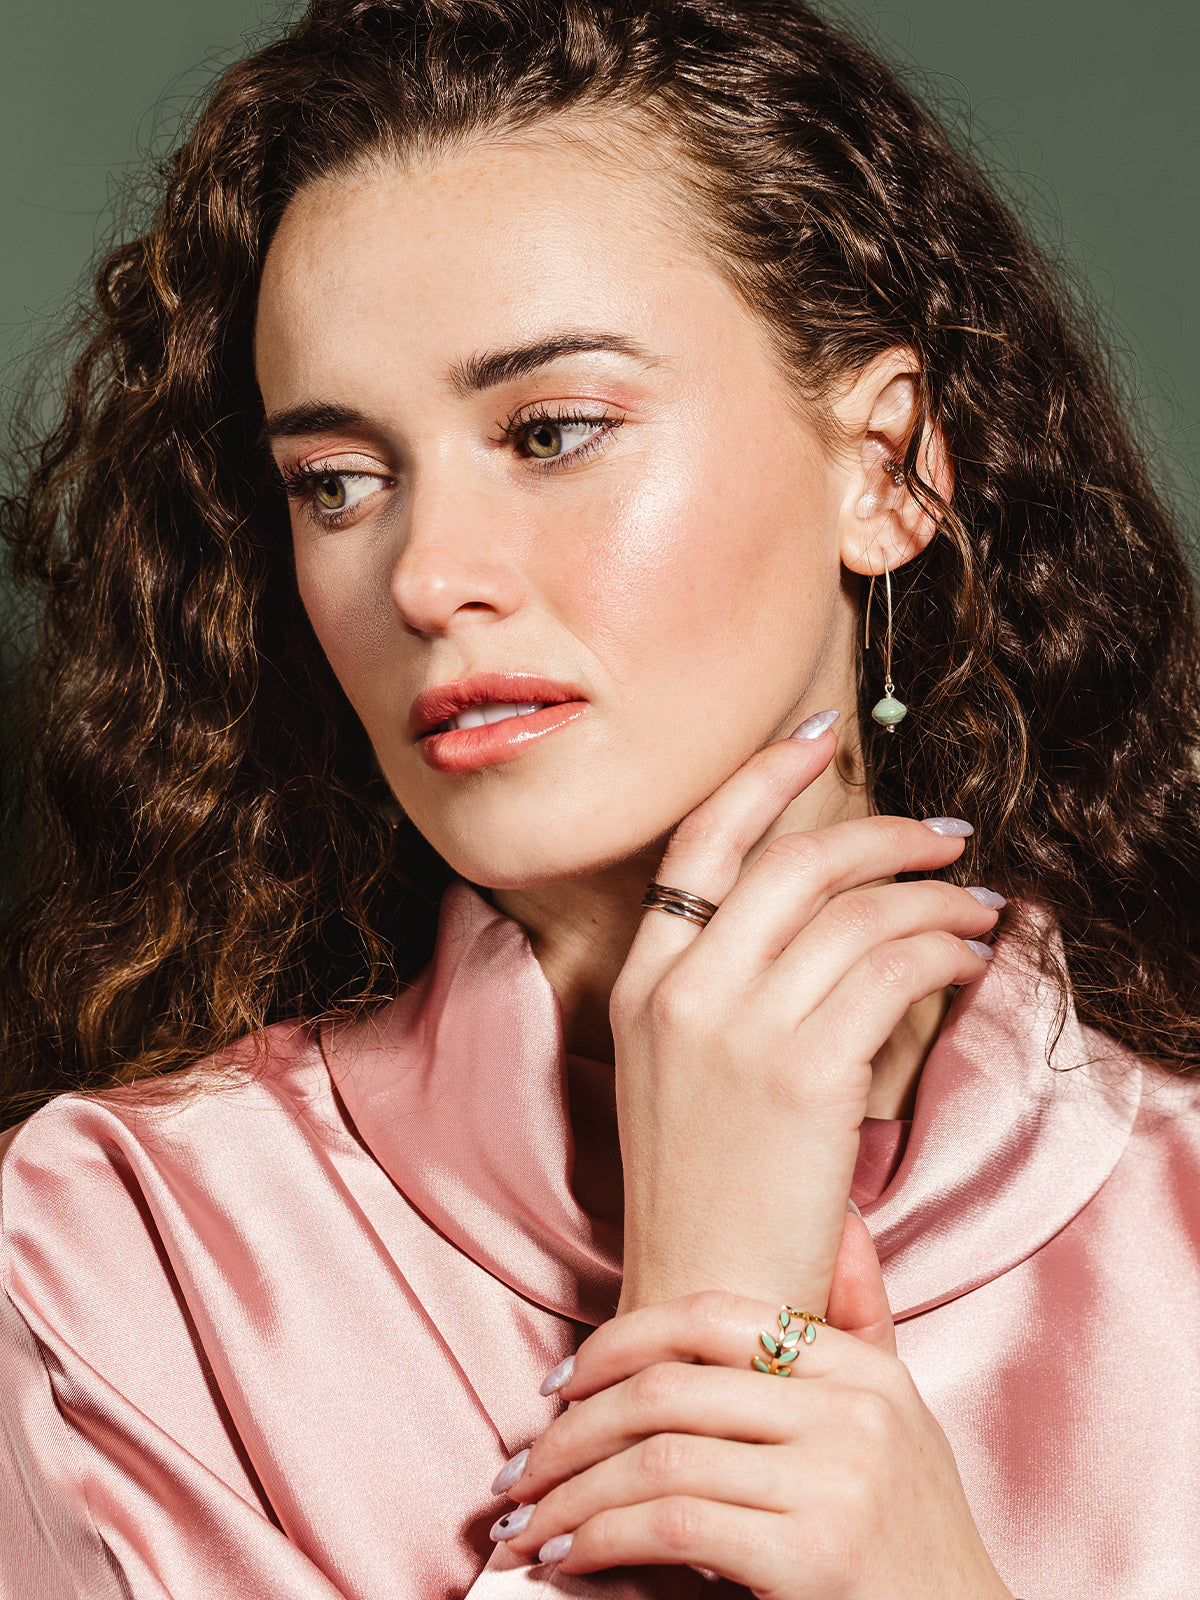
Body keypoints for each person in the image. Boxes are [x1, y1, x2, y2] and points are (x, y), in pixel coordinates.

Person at [2, 1, 1198, 1595]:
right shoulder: (128, 1241)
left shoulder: (1175, 1215)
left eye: (552, 432)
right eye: (336, 483)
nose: (426, 578)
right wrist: (709, 1305)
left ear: (891, 468)